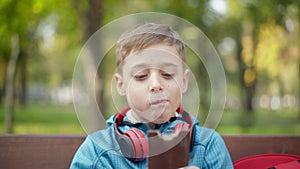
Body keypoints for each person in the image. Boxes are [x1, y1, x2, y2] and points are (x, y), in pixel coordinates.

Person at [70, 22, 233, 169]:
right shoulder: (97, 150)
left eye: (167, 74)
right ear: (121, 85)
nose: (155, 85)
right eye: (141, 76)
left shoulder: (208, 144)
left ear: (184, 81)